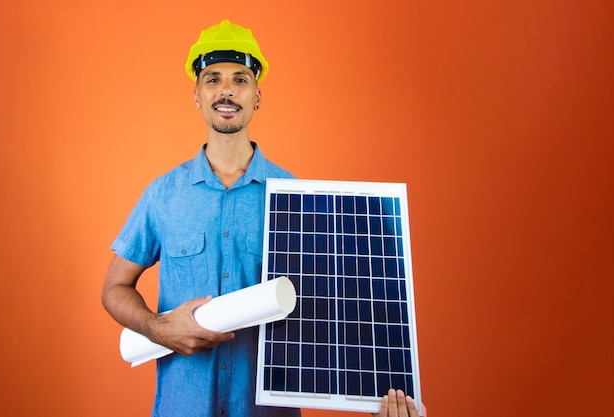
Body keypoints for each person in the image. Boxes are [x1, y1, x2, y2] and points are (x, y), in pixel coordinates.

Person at [102, 19, 425, 417]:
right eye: (212, 79)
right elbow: (114, 287)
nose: (226, 90)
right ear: (197, 96)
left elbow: (336, 306)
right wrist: (157, 328)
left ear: (257, 96)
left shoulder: (296, 198)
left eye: (240, 80)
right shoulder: (163, 194)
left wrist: (374, 391)